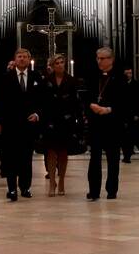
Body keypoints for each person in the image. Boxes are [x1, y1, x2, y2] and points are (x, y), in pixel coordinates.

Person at [0, 48, 43, 201]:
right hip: (10, 124)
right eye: (19, 56)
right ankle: (12, 189)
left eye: (25, 57)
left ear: (29, 59)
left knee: (26, 158)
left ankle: (25, 187)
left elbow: (43, 99)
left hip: (28, 124)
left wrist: (37, 114)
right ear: (15, 59)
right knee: (10, 158)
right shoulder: (5, 77)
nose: (22, 59)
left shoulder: (36, 77)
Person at [85, 47, 124, 200]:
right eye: (98, 58)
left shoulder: (119, 78)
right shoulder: (92, 76)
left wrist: (108, 109)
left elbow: (124, 103)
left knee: (113, 159)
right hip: (96, 123)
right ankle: (94, 190)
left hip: (112, 123)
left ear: (111, 59)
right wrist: (91, 105)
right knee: (94, 158)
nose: (99, 61)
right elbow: (86, 96)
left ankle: (112, 189)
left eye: (102, 58)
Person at [41, 54, 81, 197]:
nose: (59, 65)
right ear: (52, 65)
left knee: (63, 152)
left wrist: (76, 119)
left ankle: (62, 180)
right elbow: (43, 102)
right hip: (51, 120)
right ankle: (52, 182)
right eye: (56, 63)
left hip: (66, 120)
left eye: (62, 62)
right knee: (51, 152)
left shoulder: (71, 80)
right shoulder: (46, 81)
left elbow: (76, 102)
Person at [121, 68, 139, 163]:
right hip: (123, 114)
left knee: (131, 134)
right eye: (126, 73)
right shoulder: (120, 84)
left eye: (130, 73)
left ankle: (128, 155)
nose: (128, 75)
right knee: (123, 136)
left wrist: (138, 114)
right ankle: (126, 153)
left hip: (133, 114)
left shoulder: (136, 85)